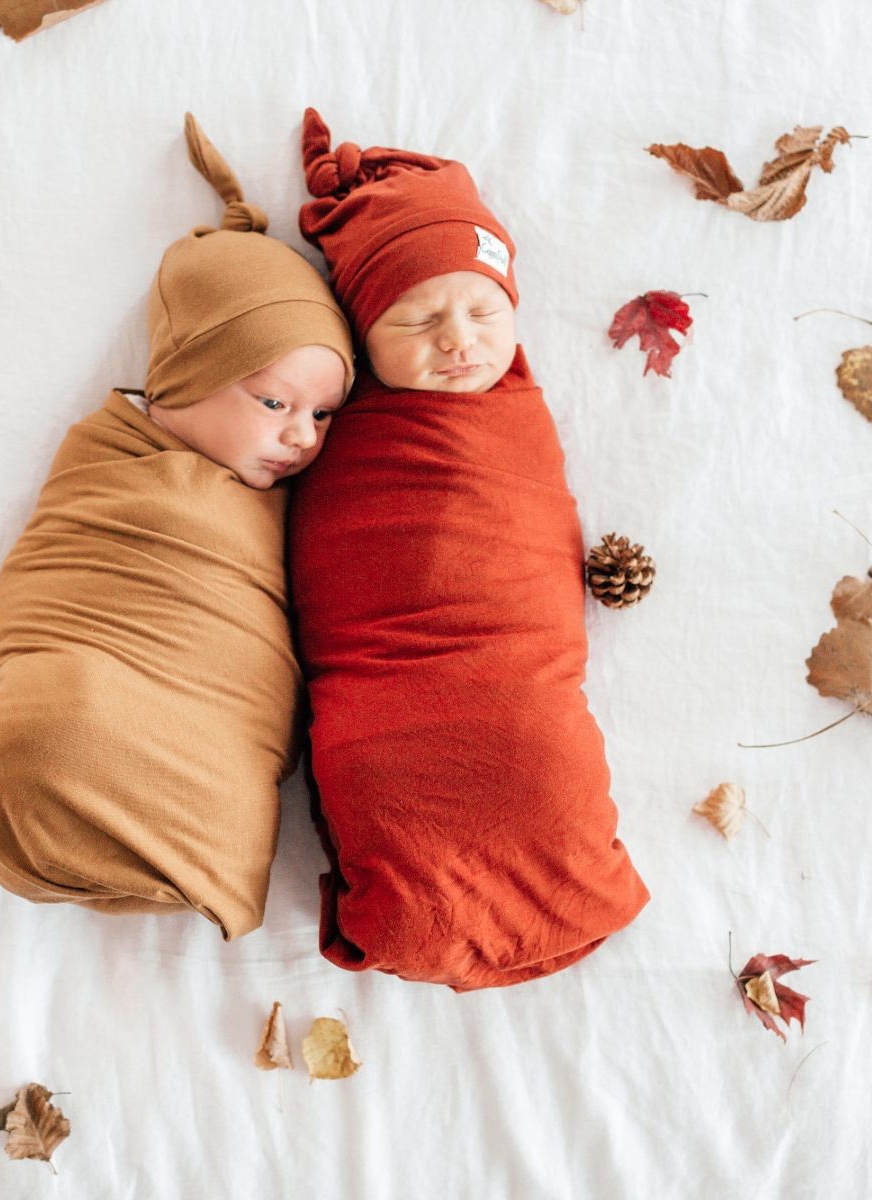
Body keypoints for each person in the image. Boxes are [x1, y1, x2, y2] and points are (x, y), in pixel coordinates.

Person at [0, 115, 352, 942]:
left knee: (171, 763)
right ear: (186, 376)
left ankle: (182, 834)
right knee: (43, 733)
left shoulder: (293, 503)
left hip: (213, 730)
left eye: (322, 413)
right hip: (97, 673)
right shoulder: (106, 459)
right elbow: (60, 573)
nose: (302, 435)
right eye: (274, 402)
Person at [289, 108, 649, 991]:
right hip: (389, 689)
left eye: (484, 310)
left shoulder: (516, 413)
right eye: (417, 321)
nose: (459, 339)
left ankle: (575, 884)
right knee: (385, 783)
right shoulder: (343, 427)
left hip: (517, 679)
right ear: (363, 338)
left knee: (547, 766)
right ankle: (408, 913)